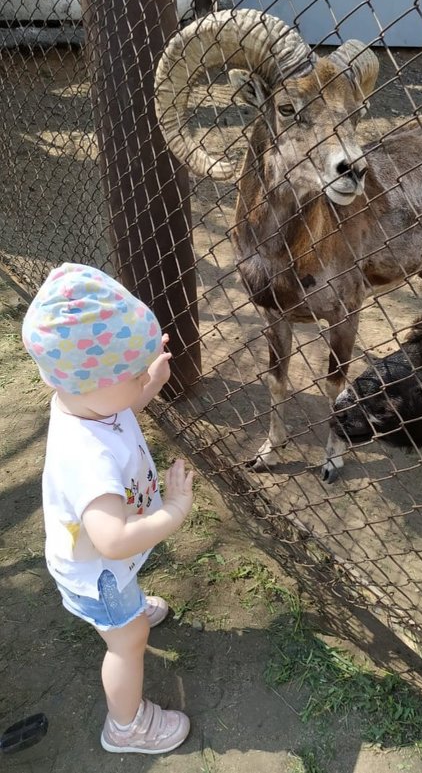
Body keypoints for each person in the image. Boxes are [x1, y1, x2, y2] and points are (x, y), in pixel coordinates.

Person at [22, 262, 194, 754]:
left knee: (129, 620)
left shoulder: (84, 402)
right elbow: (112, 540)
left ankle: (129, 610)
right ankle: (127, 727)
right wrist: (175, 511)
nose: (141, 377)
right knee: (128, 641)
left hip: (104, 567)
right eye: (133, 373)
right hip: (100, 571)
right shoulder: (88, 460)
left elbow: (118, 409)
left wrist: (149, 385)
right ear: (92, 381)